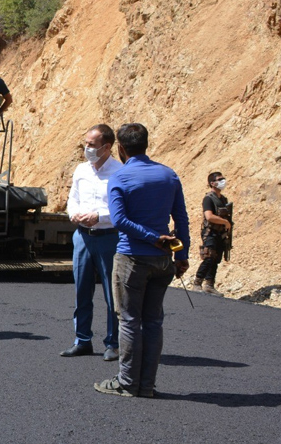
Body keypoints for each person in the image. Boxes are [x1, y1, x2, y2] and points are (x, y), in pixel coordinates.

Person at [94, 123, 189, 398]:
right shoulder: (168, 175)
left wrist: (151, 237)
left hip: (132, 258)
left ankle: (126, 382)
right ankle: (146, 384)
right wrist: (181, 255)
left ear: (121, 149)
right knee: (153, 322)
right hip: (162, 261)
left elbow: (120, 220)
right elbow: (181, 218)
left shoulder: (121, 178)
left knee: (129, 321)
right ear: (146, 144)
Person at [61, 124, 123, 361]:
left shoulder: (119, 172)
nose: (87, 148)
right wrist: (74, 214)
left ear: (107, 147)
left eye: (92, 145)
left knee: (112, 294)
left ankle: (113, 344)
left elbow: (122, 210)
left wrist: (100, 217)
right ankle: (82, 340)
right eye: (85, 143)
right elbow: (73, 199)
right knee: (81, 291)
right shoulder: (81, 170)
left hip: (109, 238)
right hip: (83, 238)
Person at [192, 172, 231, 296]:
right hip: (210, 232)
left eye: (223, 178)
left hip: (220, 233)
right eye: (219, 179)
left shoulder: (223, 199)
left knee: (216, 258)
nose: (222, 181)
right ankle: (197, 283)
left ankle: (209, 284)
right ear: (212, 183)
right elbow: (209, 216)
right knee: (209, 257)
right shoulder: (209, 198)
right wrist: (224, 221)